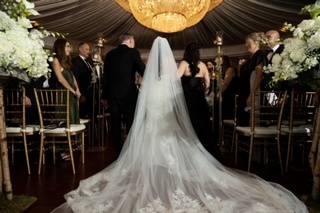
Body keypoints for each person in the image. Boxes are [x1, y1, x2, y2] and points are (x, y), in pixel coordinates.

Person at [51, 37, 307, 213]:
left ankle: (152, 171)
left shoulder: (150, 81)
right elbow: (177, 103)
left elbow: (147, 109)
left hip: (150, 125)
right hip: (169, 126)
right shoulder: (173, 77)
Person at [102, 33, 145, 155]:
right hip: (128, 95)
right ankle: (131, 152)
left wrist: (104, 97)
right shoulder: (133, 52)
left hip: (112, 96)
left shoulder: (109, 55)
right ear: (130, 41)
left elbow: (106, 78)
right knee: (131, 123)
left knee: (115, 125)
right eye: (134, 41)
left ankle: (118, 153)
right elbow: (143, 70)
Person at [178, 42, 214, 155]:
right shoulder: (203, 65)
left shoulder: (183, 63)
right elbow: (208, 84)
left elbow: (175, 79)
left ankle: (188, 151)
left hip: (187, 100)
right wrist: (203, 91)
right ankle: (202, 150)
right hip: (200, 100)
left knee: (189, 124)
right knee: (202, 125)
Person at [237, 32, 268, 125]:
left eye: (248, 42)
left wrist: (252, 94)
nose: (246, 45)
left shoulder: (260, 55)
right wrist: (240, 67)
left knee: (249, 122)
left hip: (251, 94)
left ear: (256, 42)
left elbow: (259, 76)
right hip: (244, 94)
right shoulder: (250, 59)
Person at [52, 38, 80, 124]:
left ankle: (74, 137)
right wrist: (72, 90)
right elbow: (60, 79)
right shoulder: (56, 60)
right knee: (67, 119)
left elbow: (72, 76)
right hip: (63, 95)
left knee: (74, 118)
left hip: (72, 94)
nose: (70, 49)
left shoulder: (67, 61)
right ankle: (68, 137)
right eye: (67, 46)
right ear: (61, 47)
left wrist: (77, 89)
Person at [72, 42, 94, 118]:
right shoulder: (75, 61)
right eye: (86, 49)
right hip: (82, 93)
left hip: (91, 93)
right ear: (80, 49)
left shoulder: (89, 61)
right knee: (83, 115)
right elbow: (75, 78)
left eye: (89, 49)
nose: (89, 51)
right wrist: (80, 94)